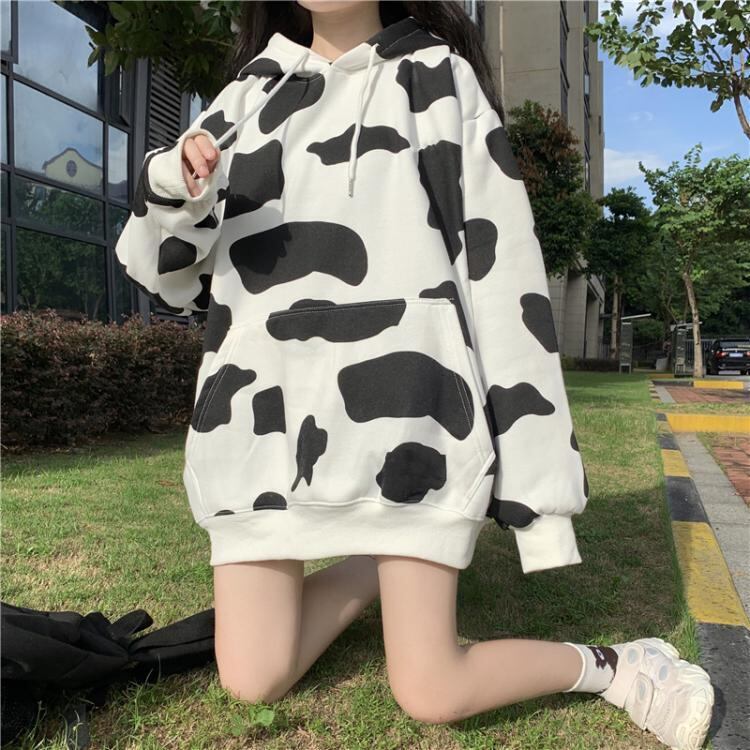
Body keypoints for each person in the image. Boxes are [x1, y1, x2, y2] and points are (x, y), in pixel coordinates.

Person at [115, 2, 714, 748]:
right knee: (251, 677)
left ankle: (617, 665)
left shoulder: (438, 79)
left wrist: (538, 495)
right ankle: (381, 563)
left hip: (409, 427)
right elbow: (164, 276)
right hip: (259, 436)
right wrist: (173, 185)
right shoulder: (247, 97)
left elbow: (505, 280)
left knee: (431, 688)